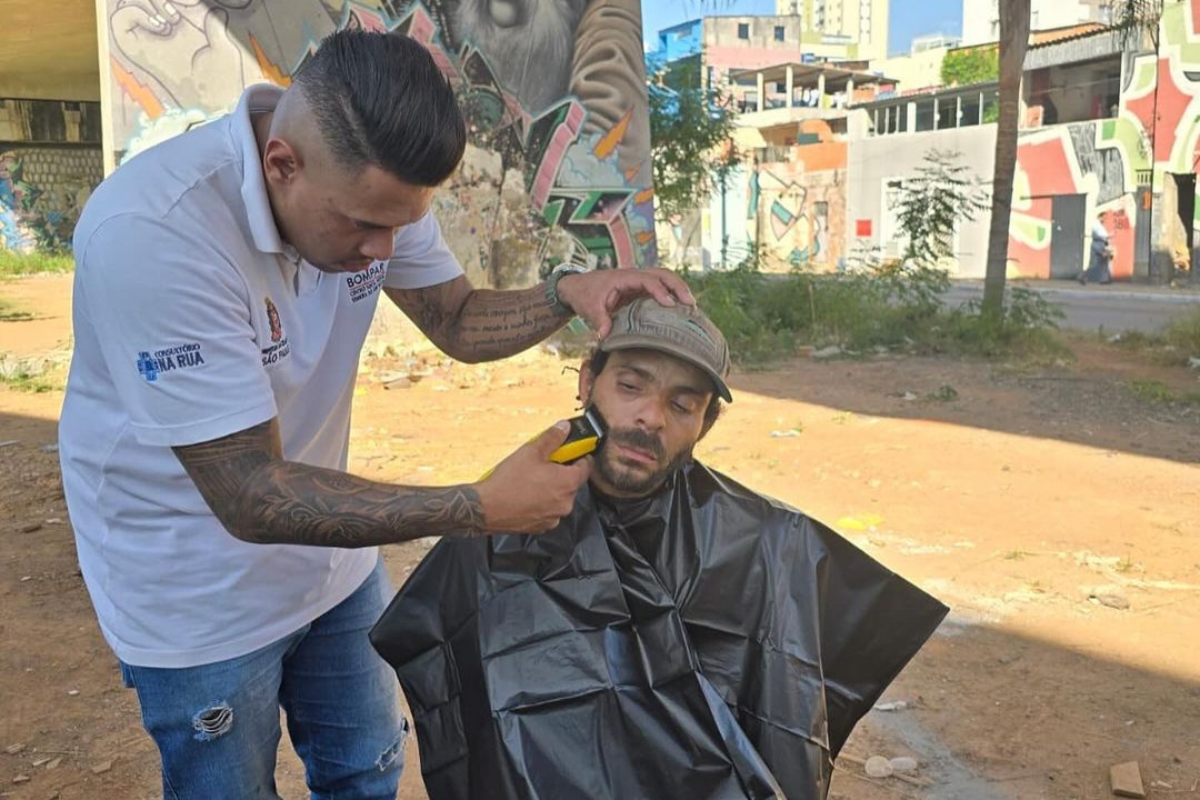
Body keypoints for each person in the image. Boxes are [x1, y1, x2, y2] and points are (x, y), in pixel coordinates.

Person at [58, 30, 694, 800]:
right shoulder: (155, 235)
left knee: (367, 769)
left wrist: (567, 291)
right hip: (196, 594)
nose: (382, 250)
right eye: (363, 225)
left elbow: (455, 318)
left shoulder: (373, 187)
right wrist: (478, 506)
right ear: (281, 163)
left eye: (399, 225)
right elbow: (247, 493)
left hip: (333, 564)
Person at [371, 299, 949, 800]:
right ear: (587, 381)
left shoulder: (767, 548)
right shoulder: (504, 517)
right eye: (630, 386)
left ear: (706, 423)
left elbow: (786, 726)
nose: (650, 416)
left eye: (682, 405)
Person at [1081, 214, 1114, 285]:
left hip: (1101, 244)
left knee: (1104, 262)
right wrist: (1109, 236)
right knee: (1096, 263)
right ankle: (1083, 276)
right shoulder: (1097, 226)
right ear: (1100, 217)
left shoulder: (1100, 226)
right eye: (1103, 217)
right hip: (1098, 245)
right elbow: (1101, 236)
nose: (1104, 219)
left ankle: (1104, 279)